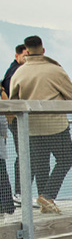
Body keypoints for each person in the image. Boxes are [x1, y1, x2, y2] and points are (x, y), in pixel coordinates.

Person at [8, 35, 72, 214]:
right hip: (56, 125)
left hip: (31, 127)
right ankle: (47, 196)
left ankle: (44, 201)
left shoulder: (19, 73)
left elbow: (13, 101)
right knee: (65, 159)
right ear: (43, 49)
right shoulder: (55, 70)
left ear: (27, 51)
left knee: (41, 165)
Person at [2, 44, 26, 199]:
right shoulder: (16, 72)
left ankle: (19, 193)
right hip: (17, 119)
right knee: (24, 154)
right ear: (17, 55)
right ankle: (19, 193)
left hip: (12, 120)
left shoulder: (13, 71)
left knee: (24, 154)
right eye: (25, 55)